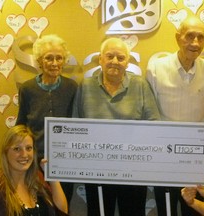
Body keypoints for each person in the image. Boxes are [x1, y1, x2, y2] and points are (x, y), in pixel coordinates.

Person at [73, 37, 160, 216]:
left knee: (133, 212)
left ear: (127, 63)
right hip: (96, 169)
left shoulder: (140, 85)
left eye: (120, 58)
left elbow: (154, 125)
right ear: (100, 60)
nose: (115, 61)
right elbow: (75, 126)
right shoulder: (86, 86)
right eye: (109, 56)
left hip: (133, 169)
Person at [146, 16, 204, 216]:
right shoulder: (157, 67)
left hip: (196, 156)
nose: (195, 43)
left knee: (193, 208)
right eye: (189, 36)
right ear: (178, 38)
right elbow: (151, 113)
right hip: (164, 154)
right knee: (165, 207)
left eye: (200, 38)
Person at [16, 34, 78, 207]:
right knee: (39, 203)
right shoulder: (27, 89)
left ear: (64, 61)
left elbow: (76, 123)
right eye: (49, 58)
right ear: (39, 61)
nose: (54, 63)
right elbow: (21, 123)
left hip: (65, 158)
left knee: (63, 203)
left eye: (59, 58)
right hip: (34, 159)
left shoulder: (71, 87)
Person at [0, 125, 68, 216]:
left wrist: (52, 176)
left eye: (28, 148)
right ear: (5, 152)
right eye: (17, 149)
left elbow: (62, 211)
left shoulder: (39, 180)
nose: (24, 154)